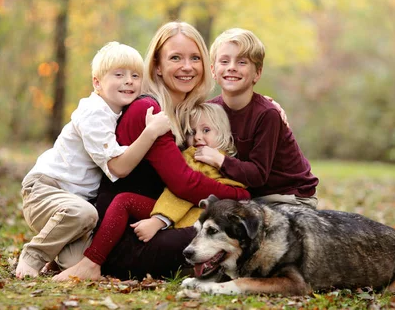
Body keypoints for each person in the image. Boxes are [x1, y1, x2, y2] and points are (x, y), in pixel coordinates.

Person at [51, 21, 251, 281]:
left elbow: (217, 119)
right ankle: (91, 265)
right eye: (175, 58)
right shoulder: (148, 111)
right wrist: (241, 196)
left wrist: (256, 100)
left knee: (234, 230)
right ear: (156, 66)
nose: (187, 67)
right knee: (231, 233)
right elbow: (184, 184)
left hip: (155, 221)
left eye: (195, 58)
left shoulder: (183, 114)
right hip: (123, 238)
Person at [15, 41, 172, 279]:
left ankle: (57, 256)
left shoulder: (118, 113)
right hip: (45, 190)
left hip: (73, 203)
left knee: (78, 260)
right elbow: (118, 166)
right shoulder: (94, 112)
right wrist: (150, 132)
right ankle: (33, 255)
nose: (128, 80)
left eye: (135, 75)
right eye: (118, 75)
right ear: (97, 83)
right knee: (84, 213)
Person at [52, 103, 242, 281]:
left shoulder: (216, 160)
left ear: (224, 134)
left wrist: (158, 221)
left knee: (129, 204)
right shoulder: (192, 154)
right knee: (124, 201)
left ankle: (91, 263)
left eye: (206, 130)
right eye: (192, 132)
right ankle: (92, 259)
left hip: (187, 216)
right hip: (171, 210)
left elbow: (183, 194)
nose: (198, 137)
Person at [200, 27, 319, 205]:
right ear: (213, 70)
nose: (231, 67)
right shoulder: (209, 111)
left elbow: (258, 175)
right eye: (224, 61)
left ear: (257, 73)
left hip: (288, 196)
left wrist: (219, 160)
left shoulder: (267, 114)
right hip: (249, 196)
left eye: (242, 62)